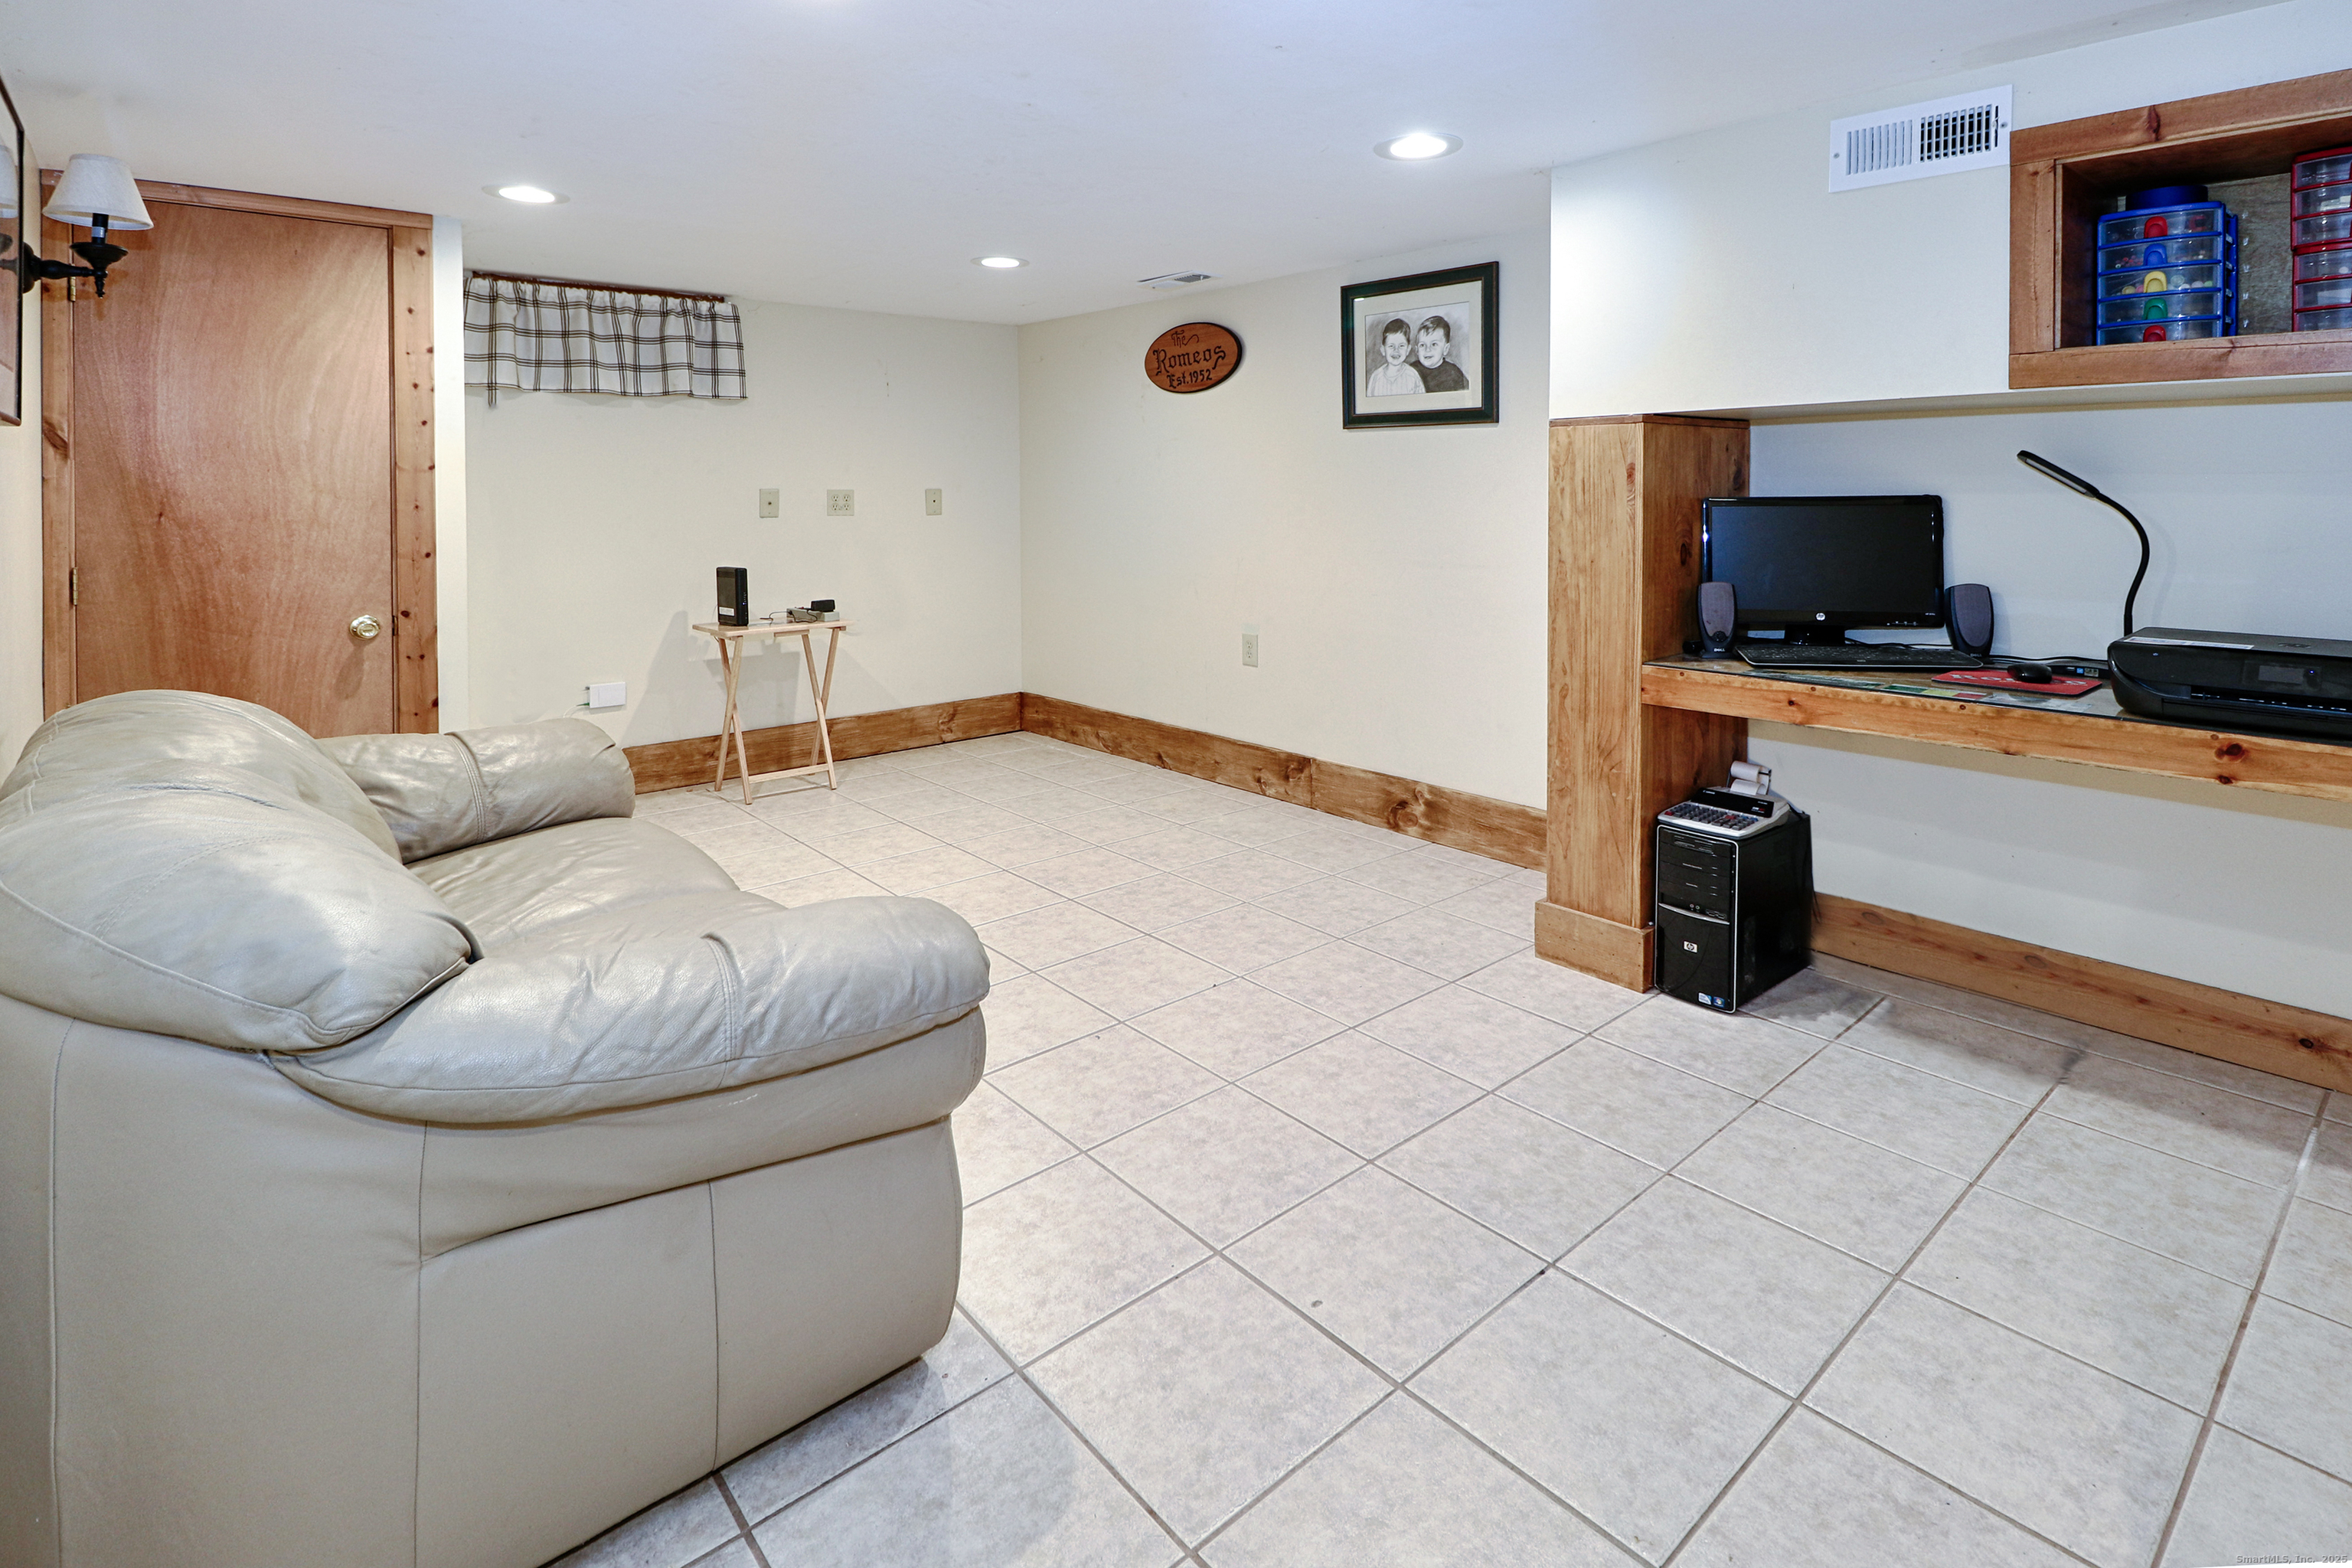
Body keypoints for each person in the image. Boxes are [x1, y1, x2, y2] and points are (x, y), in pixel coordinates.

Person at [1365, 317, 1423, 396]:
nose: (1396, 350)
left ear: (1408, 350)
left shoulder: (1413, 376)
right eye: (1391, 346)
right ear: (1383, 350)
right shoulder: (1376, 377)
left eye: (1401, 346)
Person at [1412, 315, 1469, 391]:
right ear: (1417, 350)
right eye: (1422, 345)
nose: (1427, 350)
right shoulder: (1411, 371)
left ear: (1445, 349)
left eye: (1434, 344)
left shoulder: (1454, 373)